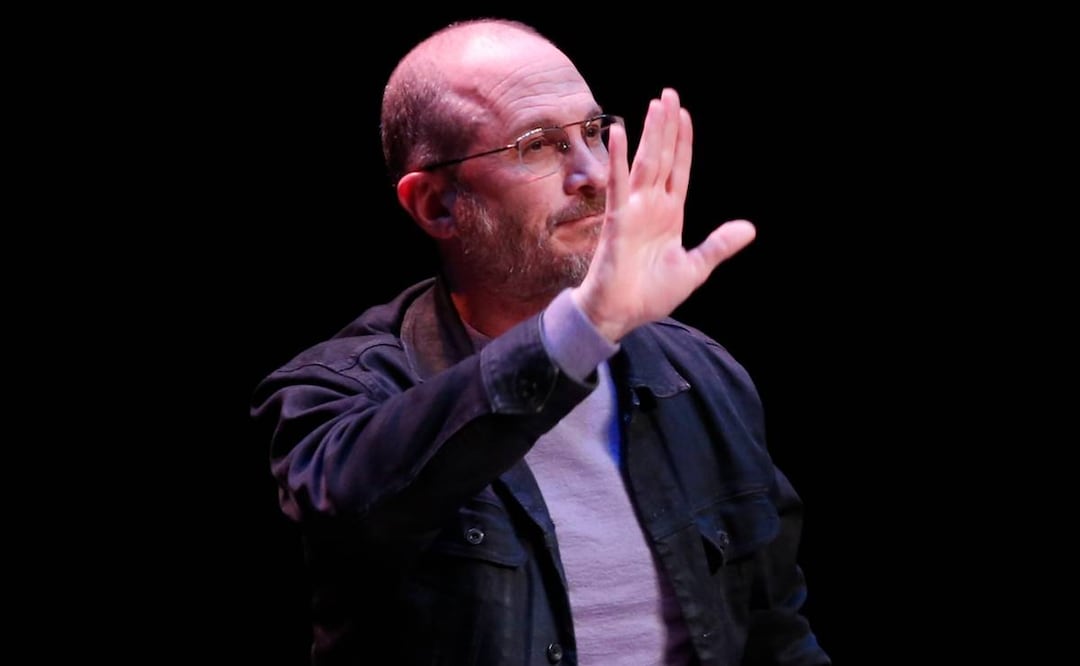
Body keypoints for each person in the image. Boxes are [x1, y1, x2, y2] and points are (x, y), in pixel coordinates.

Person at [251, 17, 830, 666]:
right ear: (437, 205)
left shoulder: (702, 374)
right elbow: (355, 507)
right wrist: (584, 329)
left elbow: (777, 635)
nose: (594, 175)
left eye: (592, 133)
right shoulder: (337, 393)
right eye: (538, 145)